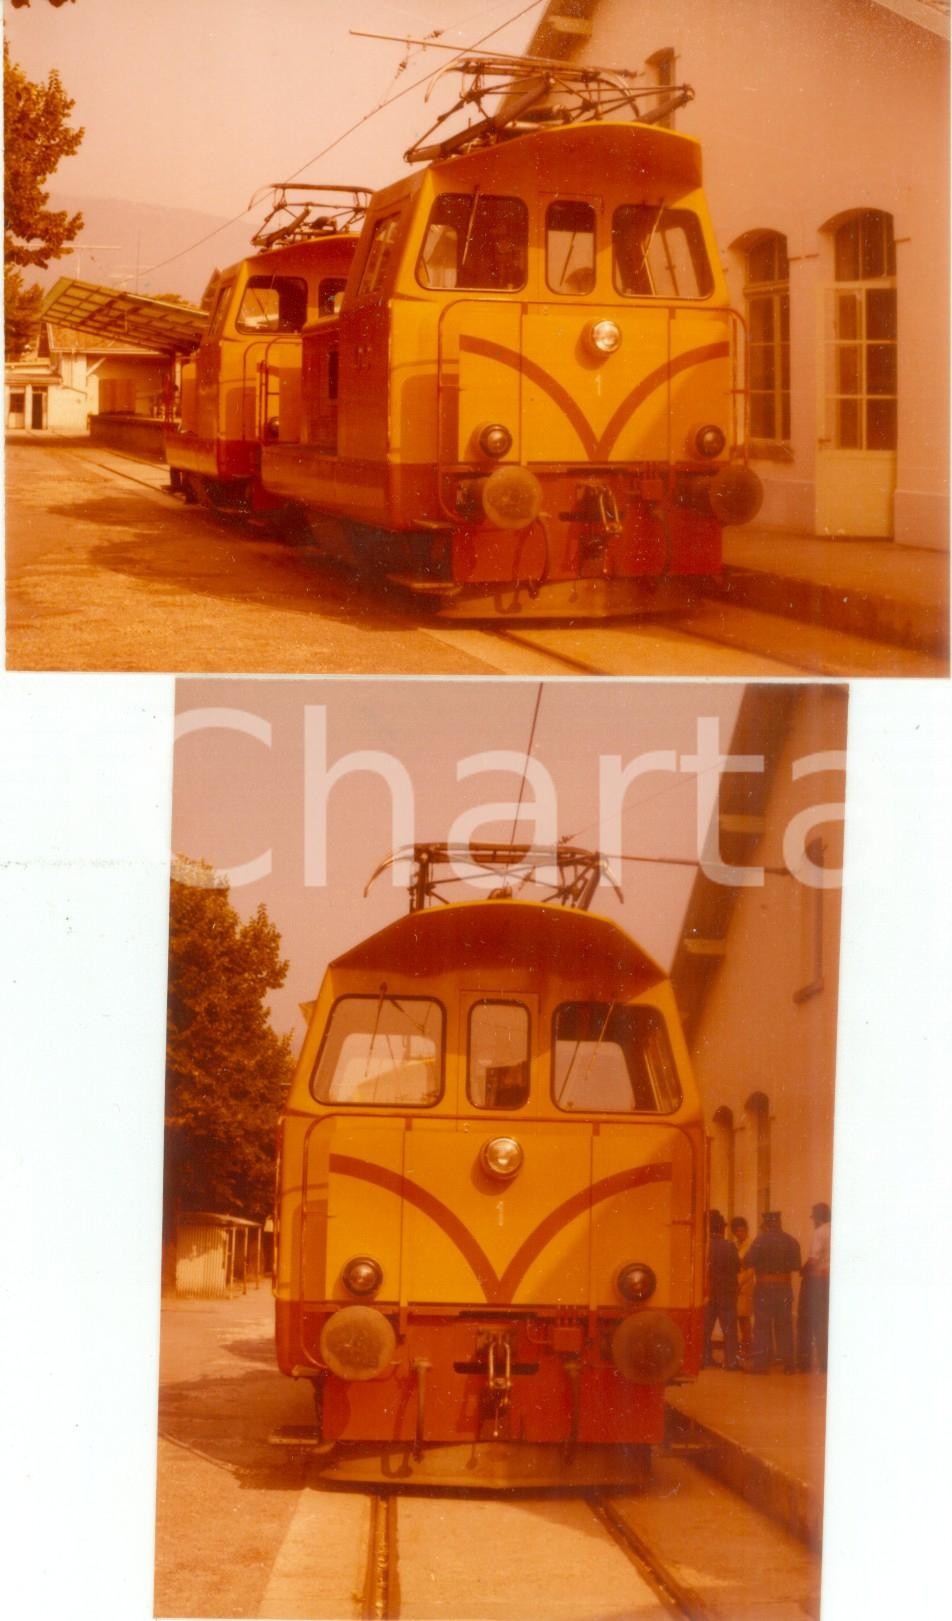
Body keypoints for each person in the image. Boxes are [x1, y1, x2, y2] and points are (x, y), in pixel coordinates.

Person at [743, 1211, 802, 1373]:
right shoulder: (791, 1241)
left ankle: (761, 1365)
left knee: (762, 1325)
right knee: (785, 1325)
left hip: (764, 1286)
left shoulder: (760, 1240)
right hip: (784, 1286)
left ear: (766, 1225)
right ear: (779, 1223)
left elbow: (747, 1261)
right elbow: (796, 1266)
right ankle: (789, 1365)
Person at [702, 1211, 741, 1369]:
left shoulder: (703, 1246)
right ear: (722, 1228)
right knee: (729, 1329)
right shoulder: (729, 1246)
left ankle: (704, 1359)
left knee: (705, 1328)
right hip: (726, 1292)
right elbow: (737, 1267)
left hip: (707, 1293)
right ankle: (731, 1361)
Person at [797, 1201, 831, 1372]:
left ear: (817, 1218)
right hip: (828, 1281)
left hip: (815, 1281)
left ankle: (805, 1362)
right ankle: (826, 1362)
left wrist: (802, 1270)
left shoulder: (819, 1232)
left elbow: (813, 1259)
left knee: (806, 1321)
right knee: (824, 1322)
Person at [730, 1216, 754, 1360]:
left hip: (745, 1285)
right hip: (735, 1285)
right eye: (737, 1231)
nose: (740, 1233)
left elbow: (751, 1270)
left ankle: (747, 1348)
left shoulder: (751, 1245)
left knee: (745, 1318)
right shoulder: (734, 1245)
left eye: (742, 1230)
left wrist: (740, 1283)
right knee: (738, 1318)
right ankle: (742, 1348)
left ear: (746, 1230)